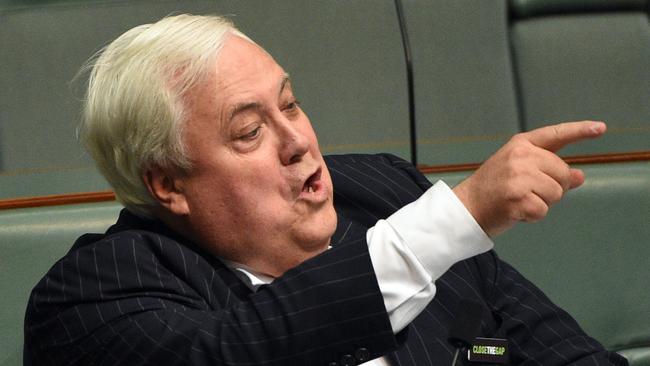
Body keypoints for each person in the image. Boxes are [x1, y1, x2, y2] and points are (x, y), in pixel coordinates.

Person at [24, 14, 627, 366]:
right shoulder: (90, 299)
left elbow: (560, 353)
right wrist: (457, 216)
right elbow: (242, 348)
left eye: (292, 104)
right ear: (168, 184)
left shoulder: (384, 192)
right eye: (250, 131)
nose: (299, 142)